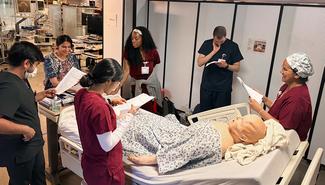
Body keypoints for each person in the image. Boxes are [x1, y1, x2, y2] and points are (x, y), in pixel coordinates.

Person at [125, 114, 267, 174]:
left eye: (243, 121)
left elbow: (184, 151)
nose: (238, 117)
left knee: (131, 125)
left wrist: (152, 159)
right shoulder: (227, 131)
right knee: (139, 116)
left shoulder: (214, 141)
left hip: (168, 140)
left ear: (243, 137)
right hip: (179, 131)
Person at [74, 58, 138, 185]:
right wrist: (128, 118)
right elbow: (107, 144)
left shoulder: (81, 94)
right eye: (117, 84)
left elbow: (92, 118)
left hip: (90, 166)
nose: (116, 88)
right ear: (108, 81)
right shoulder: (99, 107)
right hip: (106, 172)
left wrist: (109, 102)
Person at [0, 41, 56, 185]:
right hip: (21, 150)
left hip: (33, 145)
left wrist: (40, 95)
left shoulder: (20, 79)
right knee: (21, 181)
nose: (36, 68)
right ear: (26, 63)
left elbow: (21, 101)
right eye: (35, 64)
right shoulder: (10, 86)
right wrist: (24, 129)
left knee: (39, 179)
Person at [249, 53, 314, 141]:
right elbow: (280, 109)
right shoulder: (287, 86)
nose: (281, 71)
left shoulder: (297, 99)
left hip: (286, 142)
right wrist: (263, 98)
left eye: (285, 69)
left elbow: (283, 129)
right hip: (274, 133)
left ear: (297, 75)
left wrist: (260, 110)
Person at [197, 26, 244, 112]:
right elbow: (199, 63)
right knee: (205, 113)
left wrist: (226, 66)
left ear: (225, 36)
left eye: (221, 41)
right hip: (207, 87)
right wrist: (213, 51)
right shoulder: (207, 43)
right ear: (213, 36)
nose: (219, 43)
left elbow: (237, 68)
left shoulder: (233, 46)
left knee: (221, 115)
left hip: (223, 89)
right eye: (216, 41)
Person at [119, 26, 162, 113]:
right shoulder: (129, 52)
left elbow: (154, 66)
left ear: (144, 39)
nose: (133, 41)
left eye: (136, 38)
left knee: (151, 111)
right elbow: (126, 71)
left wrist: (147, 77)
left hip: (151, 87)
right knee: (137, 110)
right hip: (137, 86)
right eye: (132, 38)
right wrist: (118, 86)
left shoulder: (153, 51)